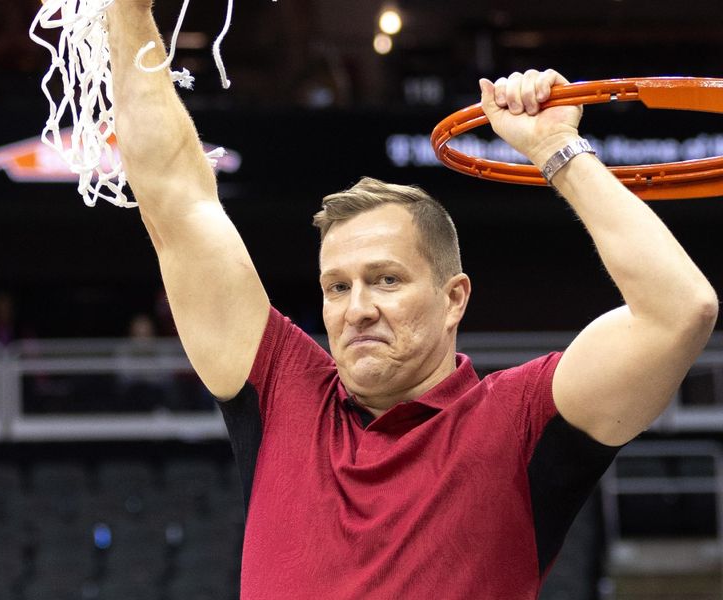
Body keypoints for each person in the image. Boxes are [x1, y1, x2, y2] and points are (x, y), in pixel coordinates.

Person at [106, 3, 718, 598]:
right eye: (337, 287)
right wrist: (129, 10)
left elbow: (679, 310)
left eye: (387, 280)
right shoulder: (284, 391)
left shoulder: (521, 419)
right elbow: (178, 200)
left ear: (454, 299)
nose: (358, 308)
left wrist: (556, 149)